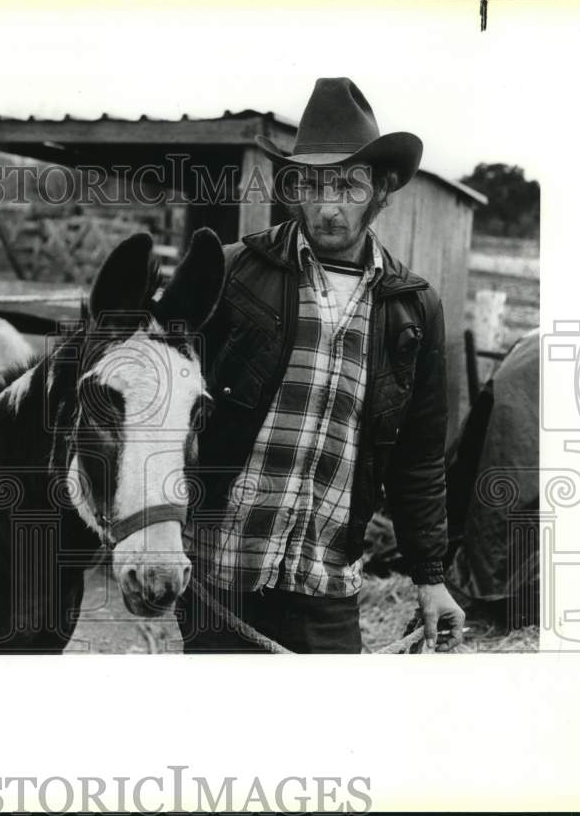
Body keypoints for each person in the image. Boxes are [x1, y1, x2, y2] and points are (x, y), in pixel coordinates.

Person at [177, 77, 466, 653]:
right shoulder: (234, 272)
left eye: (349, 185)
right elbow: (165, 404)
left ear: (383, 189)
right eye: (312, 183)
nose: (328, 205)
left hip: (327, 582)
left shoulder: (413, 308)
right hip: (222, 571)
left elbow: (418, 459)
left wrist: (431, 579)